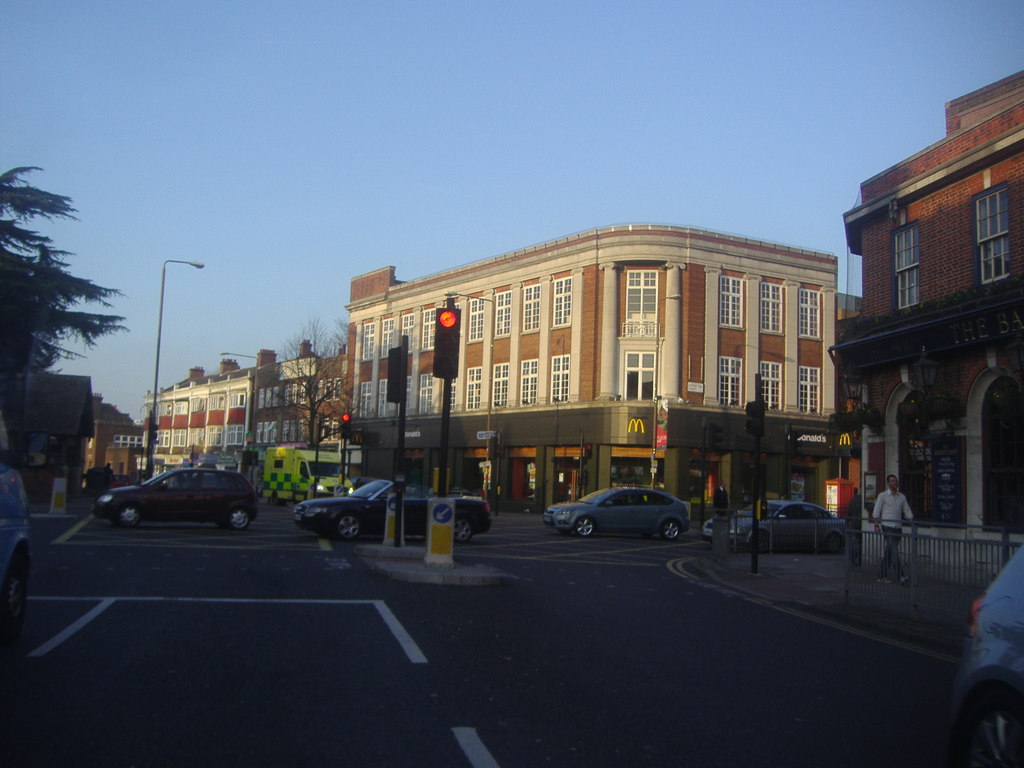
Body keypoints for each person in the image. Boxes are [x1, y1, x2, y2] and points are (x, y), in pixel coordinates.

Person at [870, 474, 914, 584]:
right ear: (888, 483)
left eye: (896, 481)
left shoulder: (901, 497)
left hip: (897, 527)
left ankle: (881, 575)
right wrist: (876, 525)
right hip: (887, 527)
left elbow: (907, 510)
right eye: (892, 481)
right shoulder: (883, 496)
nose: (895, 483)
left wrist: (912, 522)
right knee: (894, 551)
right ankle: (901, 576)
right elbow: (876, 511)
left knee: (889, 552)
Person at [846, 487, 863, 566]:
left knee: (856, 541)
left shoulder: (852, 500)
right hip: (860, 524)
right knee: (859, 542)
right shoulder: (861, 500)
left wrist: (848, 523)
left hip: (854, 524)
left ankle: (853, 557)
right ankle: (856, 557)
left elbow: (848, 512)